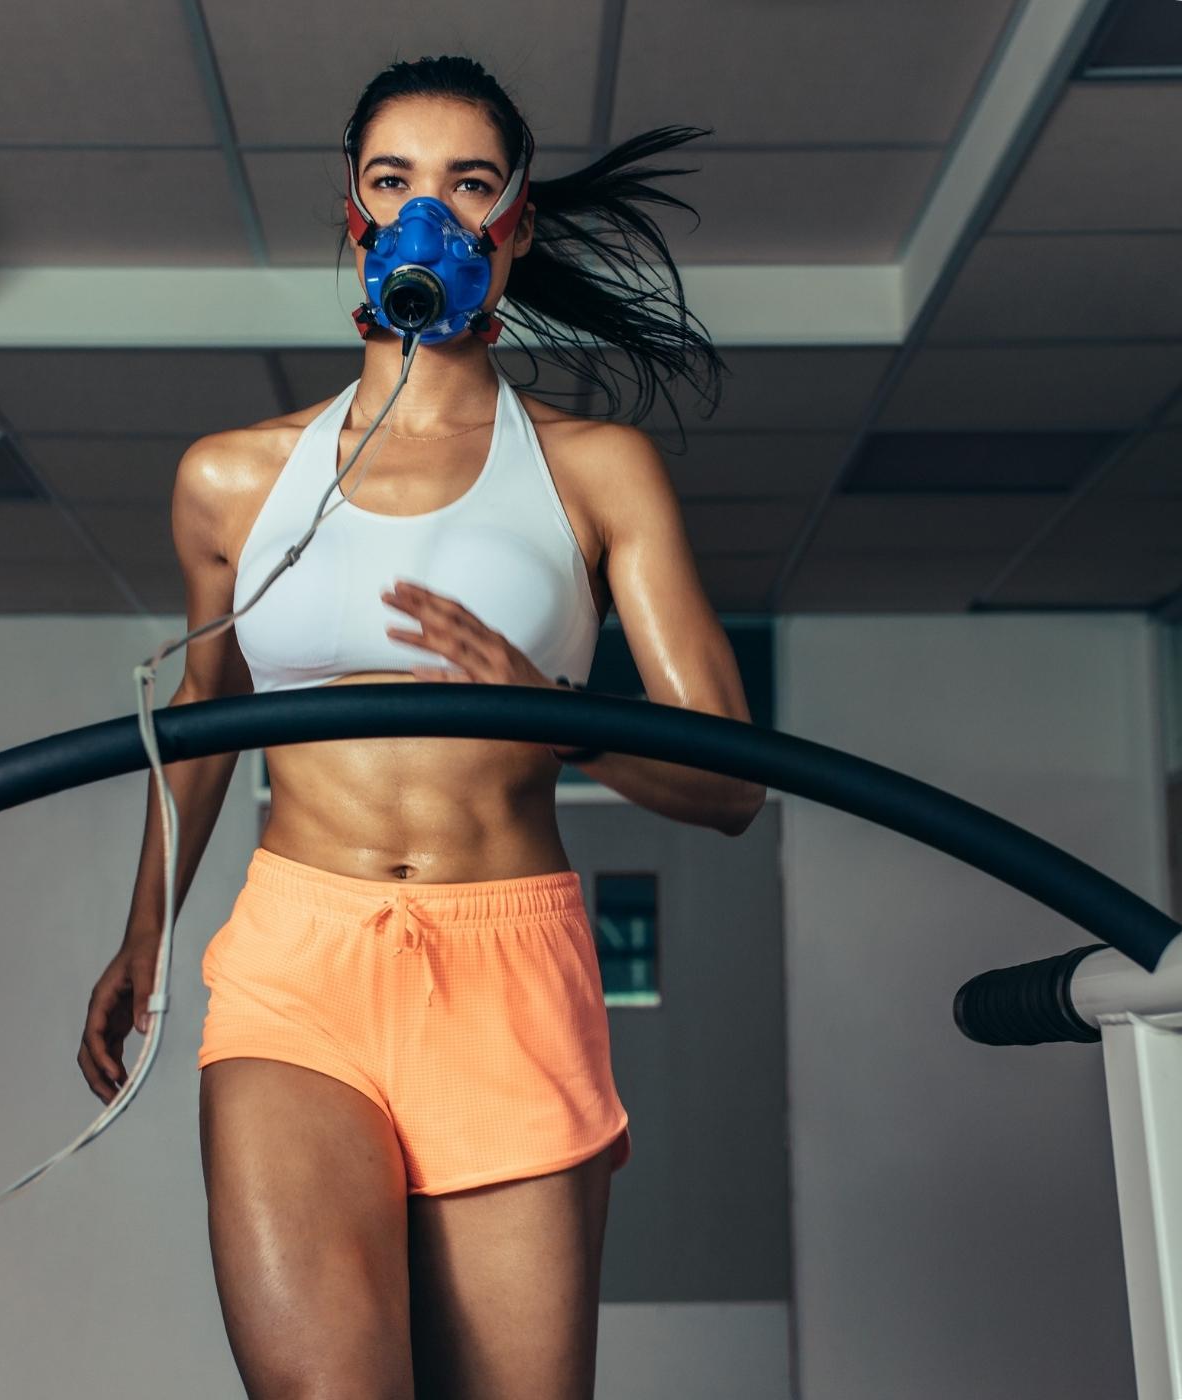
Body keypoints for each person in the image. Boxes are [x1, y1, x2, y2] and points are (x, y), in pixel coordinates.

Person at [77, 54, 764, 1400]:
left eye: (466, 184)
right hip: (300, 962)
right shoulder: (230, 479)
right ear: (353, 214)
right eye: (393, 182)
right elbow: (210, 719)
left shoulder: (594, 470)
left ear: (515, 222)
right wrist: (144, 931)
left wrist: (551, 715)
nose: (425, 217)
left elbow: (730, 784)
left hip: (509, 964)